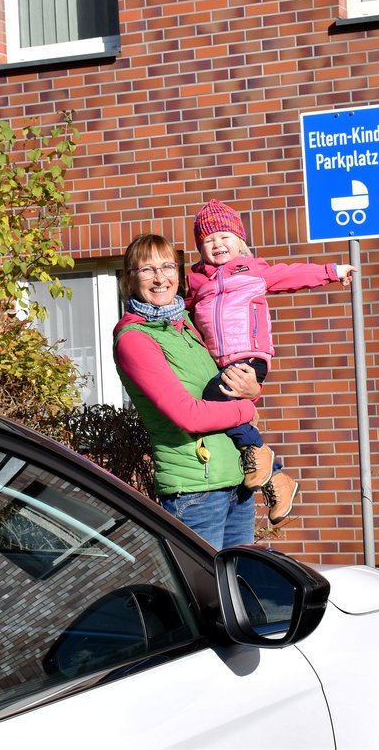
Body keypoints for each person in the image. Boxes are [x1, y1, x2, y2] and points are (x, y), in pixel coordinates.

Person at [187, 199, 356, 525]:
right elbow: (186, 314)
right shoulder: (197, 281)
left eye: (224, 237)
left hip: (250, 355)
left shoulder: (254, 270)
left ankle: (259, 450)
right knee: (217, 408)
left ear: (239, 241)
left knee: (214, 399)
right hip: (219, 361)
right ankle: (278, 479)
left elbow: (291, 274)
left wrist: (331, 272)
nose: (217, 245)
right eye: (209, 240)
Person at [112, 232, 278, 548]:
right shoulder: (134, 339)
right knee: (204, 595)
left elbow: (229, 384)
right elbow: (188, 415)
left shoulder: (187, 322)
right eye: (147, 270)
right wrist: (248, 408)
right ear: (130, 280)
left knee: (236, 589)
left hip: (237, 479)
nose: (160, 278)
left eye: (167, 267)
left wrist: (251, 388)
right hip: (195, 491)